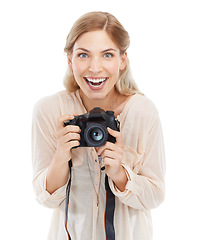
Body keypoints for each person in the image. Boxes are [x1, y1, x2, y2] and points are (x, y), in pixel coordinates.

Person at [32, 11, 166, 240]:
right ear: (69, 59)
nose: (95, 68)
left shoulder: (143, 112)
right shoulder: (50, 110)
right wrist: (60, 156)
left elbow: (155, 196)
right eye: (83, 55)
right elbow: (45, 198)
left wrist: (119, 173)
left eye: (107, 55)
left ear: (122, 60)